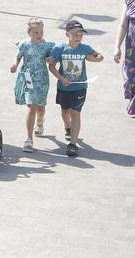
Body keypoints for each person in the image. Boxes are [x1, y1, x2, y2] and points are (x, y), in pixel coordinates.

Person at [48, 19, 104, 157]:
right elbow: (51, 66)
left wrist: (96, 58)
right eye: (75, 34)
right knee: (65, 111)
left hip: (80, 87)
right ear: (67, 34)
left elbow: (98, 55)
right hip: (64, 87)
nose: (78, 36)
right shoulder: (59, 49)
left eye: (81, 34)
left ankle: (72, 144)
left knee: (76, 113)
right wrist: (61, 78)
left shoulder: (85, 48)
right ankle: (67, 127)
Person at [10, 17, 54, 151]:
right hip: (28, 77)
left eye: (41, 32)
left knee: (40, 106)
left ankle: (40, 122)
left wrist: (50, 59)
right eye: (36, 32)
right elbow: (18, 56)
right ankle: (29, 139)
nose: (39, 35)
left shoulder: (46, 45)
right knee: (31, 105)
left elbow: (52, 57)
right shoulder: (24, 44)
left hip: (42, 78)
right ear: (29, 32)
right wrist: (15, 65)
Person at [117, 0, 135, 118]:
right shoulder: (129, 2)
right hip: (131, 51)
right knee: (130, 79)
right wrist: (117, 47)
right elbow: (123, 25)